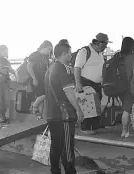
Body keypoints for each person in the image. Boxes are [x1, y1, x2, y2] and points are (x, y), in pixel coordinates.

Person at [45, 43, 83, 174]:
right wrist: (78, 109)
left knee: (55, 146)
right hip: (63, 116)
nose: (71, 55)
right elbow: (69, 92)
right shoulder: (62, 69)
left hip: (51, 114)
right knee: (67, 147)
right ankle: (70, 171)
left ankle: (55, 171)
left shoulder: (50, 69)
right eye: (69, 53)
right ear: (63, 54)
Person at [74, 33, 111, 135]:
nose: (106, 47)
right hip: (86, 82)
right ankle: (85, 127)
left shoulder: (99, 54)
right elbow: (77, 68)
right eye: (105, 44)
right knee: (87, 105)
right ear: (98, 43)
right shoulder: (85, 51)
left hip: (97, 83)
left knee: (96, 105)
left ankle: (95, 125)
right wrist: (78, 83)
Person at [118, 37, 134, 138]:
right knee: (127, 110)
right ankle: (124, 132)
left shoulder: (118, 56)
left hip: (119, 87)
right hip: (130, 87)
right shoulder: (132, 57)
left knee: (125, 107)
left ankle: (126, 130)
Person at [27, 40, 53, 117]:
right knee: (46, 94)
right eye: (48, 49)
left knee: (40, 97)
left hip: (44, 80)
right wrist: (34, 78)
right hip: (37, 79)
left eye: (50, 50)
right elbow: (29, 66)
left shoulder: (46, 57)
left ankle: (39, 115)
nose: (49, 51)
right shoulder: (34, 55)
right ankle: (34, 105)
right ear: (43, 47)